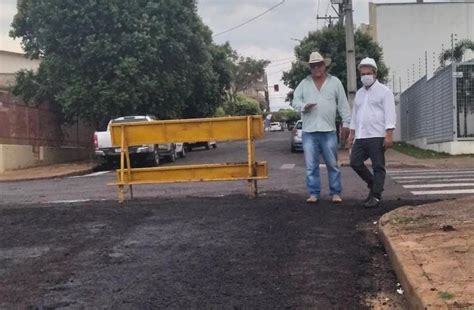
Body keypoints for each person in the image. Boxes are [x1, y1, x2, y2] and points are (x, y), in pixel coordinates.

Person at [292, 51, 351, 204]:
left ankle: (336, 192)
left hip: (328, 130)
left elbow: (343, 104)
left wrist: (346, 124)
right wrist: (304, 106)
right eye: (313, 66)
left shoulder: (335, 82)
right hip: (309, 131)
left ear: (325, 66)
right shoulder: (304, 83)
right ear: (310, 68)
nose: (316, 68)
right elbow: (295, 101)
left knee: (332, 164)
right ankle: (313, 193)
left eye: (319, 65)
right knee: (311, 165)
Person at [348, 57, 396, 208]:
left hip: (377, 135)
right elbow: (355, 114)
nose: (365, 76)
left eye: (368, 73)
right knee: (355, 162)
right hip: (362, 136)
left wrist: (389, 134)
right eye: (362, 74)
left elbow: (390, 113)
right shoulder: (360, 93)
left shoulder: (384, 92)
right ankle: (373, 183)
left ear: (375, 73)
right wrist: (352, 132)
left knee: (378, 166)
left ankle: (375, 196)